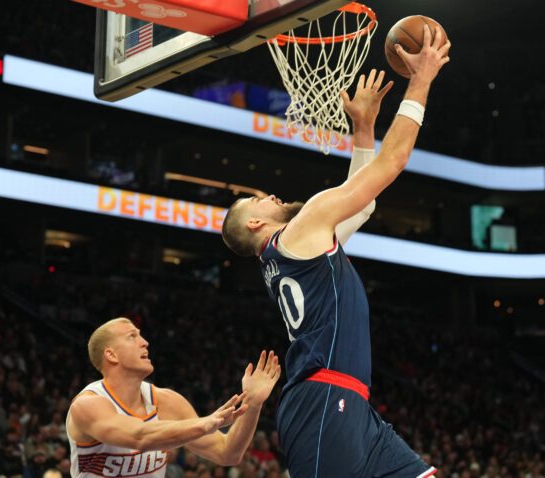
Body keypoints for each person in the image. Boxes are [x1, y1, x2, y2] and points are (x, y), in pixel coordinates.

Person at [221, 26, 450, 477]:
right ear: (254, 222)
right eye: (258, 199)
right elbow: (392, 164)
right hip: (323, 402)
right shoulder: (304, 227)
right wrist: (420, 81)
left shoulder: (294, 247)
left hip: (348, 403)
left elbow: (361, 208)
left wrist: (363, 128)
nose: (269, 194)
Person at [65, 317, 280, 478]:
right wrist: (205, 423)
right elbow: (139, 437)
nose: (145, 342)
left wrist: (252, 403)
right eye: (132, 336)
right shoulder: (88, 404)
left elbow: (227, 453)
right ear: (111, 354)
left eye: (141, 335)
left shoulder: (167, 401)